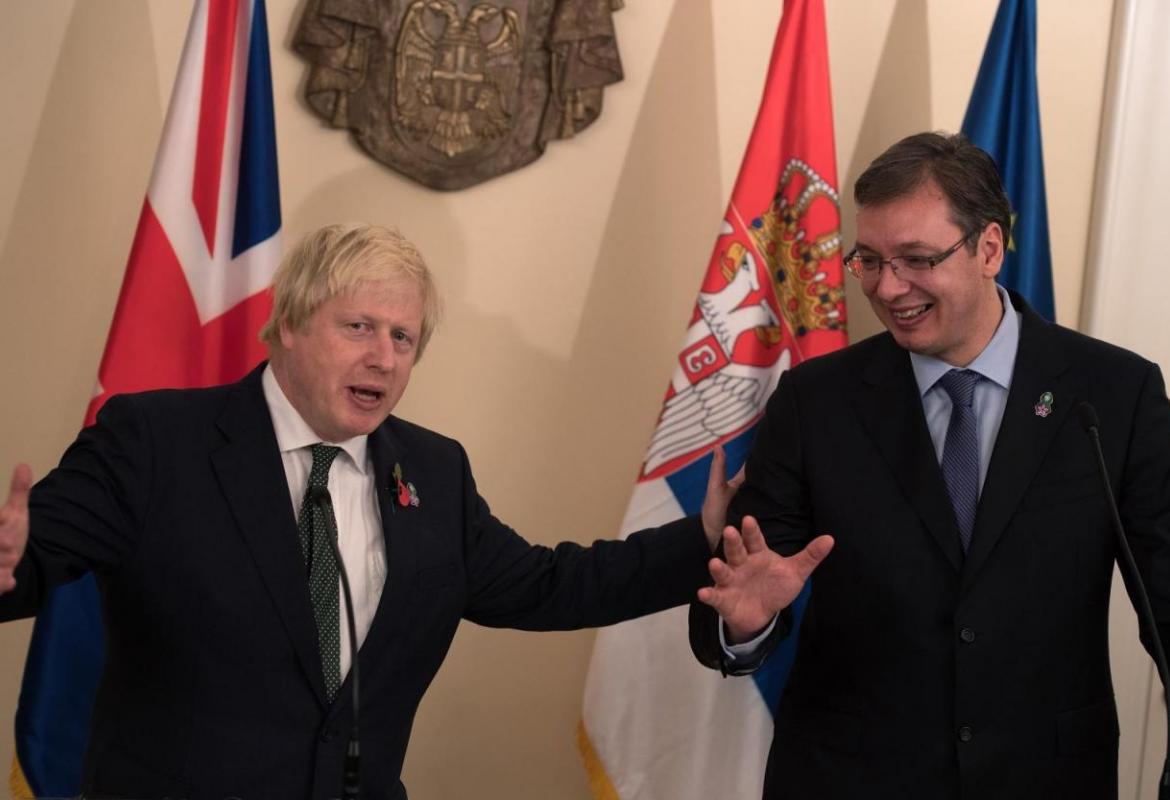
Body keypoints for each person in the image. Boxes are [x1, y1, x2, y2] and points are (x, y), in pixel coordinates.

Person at [0, 223, 750, 800]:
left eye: (403, 338)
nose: (384, 358)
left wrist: (705, 539)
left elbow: (551, 585)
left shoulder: (433, 472)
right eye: (358, 327)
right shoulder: (158, 441)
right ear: (289, 322)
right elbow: (36, 551)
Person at [690, 131, 1170, 799]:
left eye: (916, 259)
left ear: (989, 249)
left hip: (1046, 778)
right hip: (850, 780)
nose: (888, 288)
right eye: (869, 261)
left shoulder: (1115, 393)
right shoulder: (813, 403)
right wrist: (747, 623)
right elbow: (744, 585)